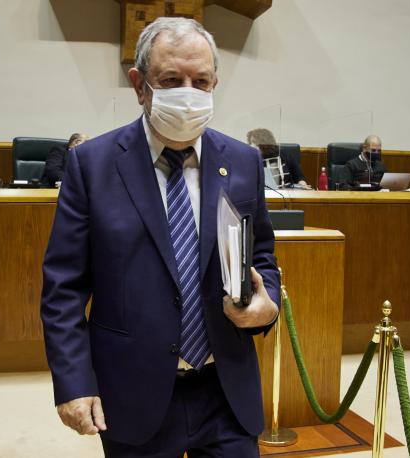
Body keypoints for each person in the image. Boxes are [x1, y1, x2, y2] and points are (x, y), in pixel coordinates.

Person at [41, 17, 280, 457]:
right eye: (171, 79)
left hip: (226, 389)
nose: (189, 92)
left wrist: (268, 306)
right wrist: (73, 382)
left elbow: (261, 255)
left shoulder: (243, 161)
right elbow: (63, 289)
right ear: (139, 84)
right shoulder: (91, 165)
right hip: (133, 392)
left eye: (202, 80)